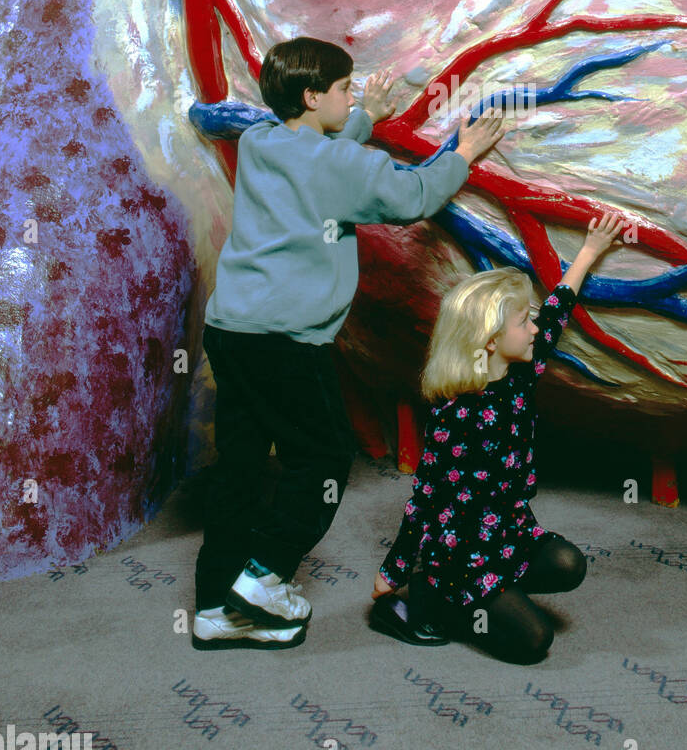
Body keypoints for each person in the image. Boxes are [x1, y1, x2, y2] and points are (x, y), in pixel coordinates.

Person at [192, 36, 506, 650]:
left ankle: (212, 608)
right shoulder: (342, 166)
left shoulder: (261, 142)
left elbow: (320, 153)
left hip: (231, 329)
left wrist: (365, 118)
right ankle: (261, 577)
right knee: (325, 458)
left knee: (241, 464)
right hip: (285, 341)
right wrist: (463, 152)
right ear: (313, 97)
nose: (350, 95)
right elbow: (414, 195)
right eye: (343, 89)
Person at [369, 211, 628, 664]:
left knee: (570, 565)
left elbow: (555, 315)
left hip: (509, 534)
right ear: (490, 339)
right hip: (462, 556)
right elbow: (425, 497)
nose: (533, 329)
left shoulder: (520, 374)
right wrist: (392, 570)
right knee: (534, 642)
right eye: (522, 322)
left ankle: (479, 596)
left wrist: (589, 251)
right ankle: (422, 599)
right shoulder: (456, 414)